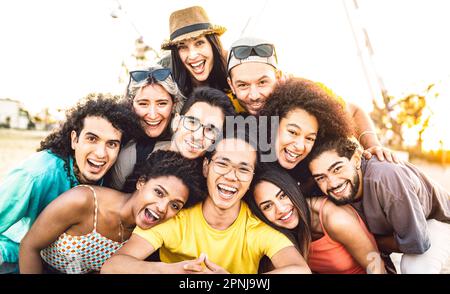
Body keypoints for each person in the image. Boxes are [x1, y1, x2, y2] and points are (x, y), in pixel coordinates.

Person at [101, 129, 311, 274]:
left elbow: (300, 270)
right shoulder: (175, 217)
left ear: (250, 179)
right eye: (223, 163)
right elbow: (112, 267)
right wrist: (171, 271)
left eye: (243, 169)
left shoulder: (256, 228)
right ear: (205, 167)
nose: (231, 176)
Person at [0, 96, 139, 267]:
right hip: (12, 256)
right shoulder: (36, 174)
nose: (101, 153)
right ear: (74, 139)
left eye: (111, 144)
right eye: (92, 139)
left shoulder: (109, 178)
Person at [19, 150, 205, 274]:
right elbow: (29, 246)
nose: (162, 207)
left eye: (175, 205)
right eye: (158, 192)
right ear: (141, 183)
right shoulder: (83, 200)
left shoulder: (147, 234)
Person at [227, 37, 397, 162]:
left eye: (263, 82)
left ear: (278, 77)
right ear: (231, 85)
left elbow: (354, 110)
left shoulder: (303, 93)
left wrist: (373, 144)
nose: (254, 95)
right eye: (243, 85)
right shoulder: (225, 106)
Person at [307, 137, 450, 274]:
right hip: (399, 229)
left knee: (415, 269)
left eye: (337, 169)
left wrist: (368, 241)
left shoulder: (385, 178)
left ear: (356, 158)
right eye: (321, 177)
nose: (332, 183)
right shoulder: (338, 191)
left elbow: (416, 242)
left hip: (435, 220)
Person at [248, 165, 386, 274]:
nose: (281, 209)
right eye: (267, 206)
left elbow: (376, 267)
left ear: (294, 189)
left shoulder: (334, 218)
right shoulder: (278, 233)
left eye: (283, 196)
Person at [107, 65, 186, 190]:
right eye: (143, 104)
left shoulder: (190, 142)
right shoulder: (124, 151)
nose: (153, 114)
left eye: (162, 103)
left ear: (174, 105)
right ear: (131, 105)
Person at [160, 6, 229, 97]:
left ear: (213, 44)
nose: (192, 55)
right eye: (182, 47)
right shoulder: (166, 86)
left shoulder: (234, 70)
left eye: (199, 43)